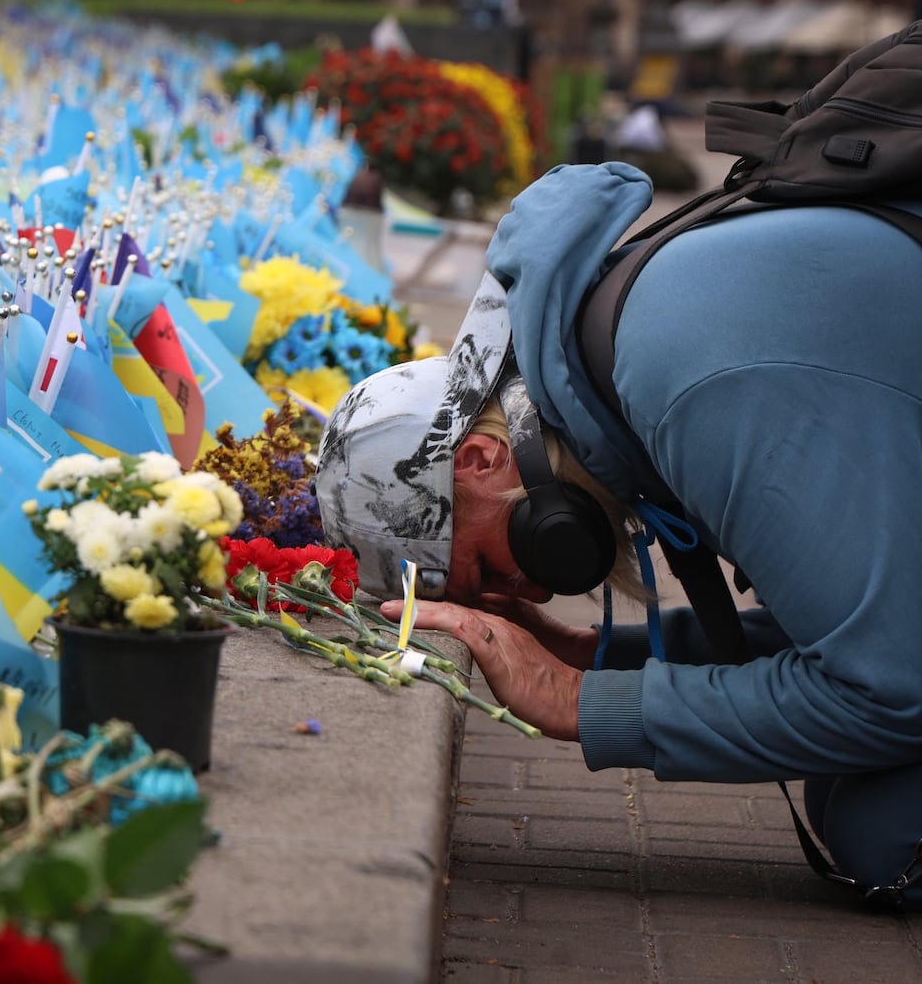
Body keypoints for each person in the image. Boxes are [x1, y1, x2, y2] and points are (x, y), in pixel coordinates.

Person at [315, 159, 922, 906]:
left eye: (488, 567)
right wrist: (601, 655)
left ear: (477, 457)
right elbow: (860, 635)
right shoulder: (627, 343)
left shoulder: (694, 383)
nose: (533, 586)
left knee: (890, 831)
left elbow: (890, 691)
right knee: (850, 793)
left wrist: (573, 698)